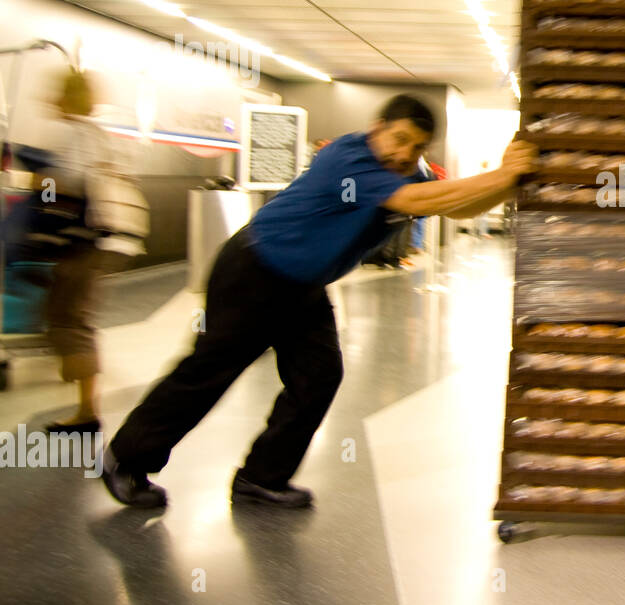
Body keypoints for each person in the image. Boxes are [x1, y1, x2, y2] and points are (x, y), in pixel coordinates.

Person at [101, 94, 537, 509]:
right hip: (254, 270)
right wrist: (502, 175)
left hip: (304, 286)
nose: (406, 154)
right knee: (207, 372)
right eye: (399, 139)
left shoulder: (408, 171)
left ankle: (261, 478)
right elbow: (414, 201)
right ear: (377, 128)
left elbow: (455, 208)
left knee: (318, 378)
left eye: (418, 147)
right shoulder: (348, 158)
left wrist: (509, 181)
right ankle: (126, 458)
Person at [18, 69, 125, 434]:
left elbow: (63, 187)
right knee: (71, 318)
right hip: (94, 241)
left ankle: (86, 412)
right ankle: (83, 401)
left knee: (69, 322)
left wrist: (38, 187)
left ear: (65, 97)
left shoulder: (68, 133)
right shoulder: (96, 133)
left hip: (75, 245)